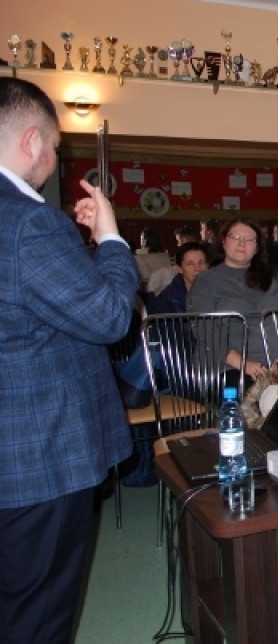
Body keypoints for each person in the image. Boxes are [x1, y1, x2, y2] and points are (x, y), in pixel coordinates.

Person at [0, 77, 138, 642]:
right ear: (32, 141)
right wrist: (110, 239)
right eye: (55, 146)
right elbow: (109, 317)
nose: (55, 159)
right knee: (36, 614)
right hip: (38, 453)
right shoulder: (29, 222)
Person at [188, 216, 278, 381]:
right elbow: (205, 330)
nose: (242, 243)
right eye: (236, 237)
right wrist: (244, 364)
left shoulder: (274, 278)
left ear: (257, 247)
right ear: (224, 242)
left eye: (249, 239)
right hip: (226, 367)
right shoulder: (206, 281)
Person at [148, 241, 209, 314]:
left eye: (201, 262)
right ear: (179, 269)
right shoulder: (168, 300)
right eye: (190, 264)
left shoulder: (216, 291)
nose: (197, 268)